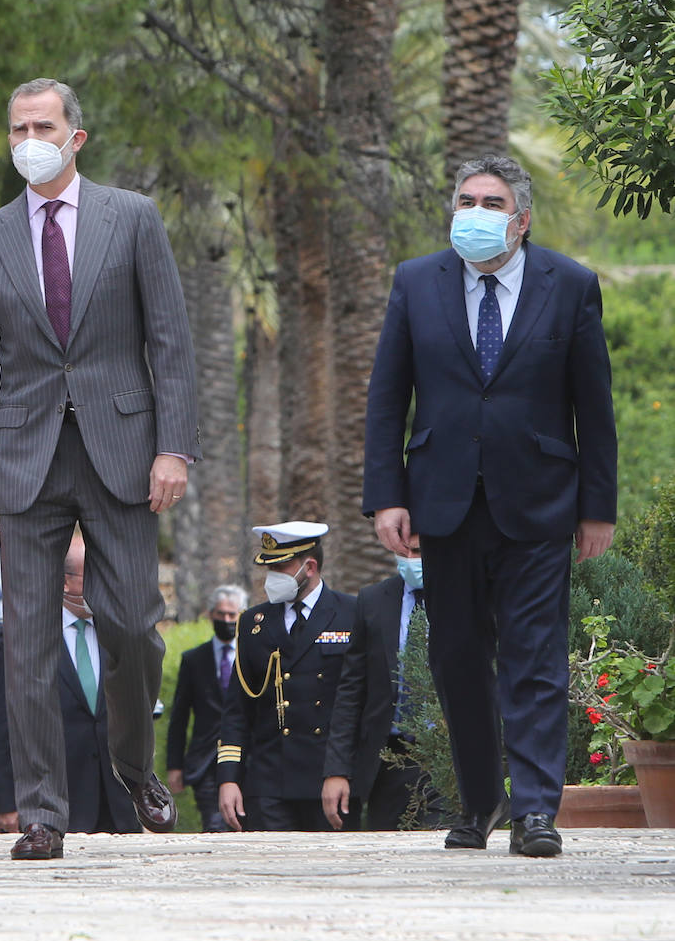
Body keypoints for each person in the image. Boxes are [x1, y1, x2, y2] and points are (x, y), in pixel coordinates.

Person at [0, 77, 199, 860]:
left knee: (131, 627)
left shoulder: (133, 219)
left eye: (43, 124)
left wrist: (173, 447)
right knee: (26, 644)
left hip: (122, 453)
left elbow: (171, 342)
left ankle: (133, 766)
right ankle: (43, 812)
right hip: (25, 461)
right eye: (18, 125)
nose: (30, 137)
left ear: (75, 136)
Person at [362, 154, 618, 858]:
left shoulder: (568, 285)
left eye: (491, 202)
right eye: (465, 200)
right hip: (443, 504)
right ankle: (480, 802)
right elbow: (388, 398)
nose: (475, 213)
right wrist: (386, 496)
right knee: (456, 657)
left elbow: (593, 406)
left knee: (534, 657)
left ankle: (536, 810)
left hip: (539, 502)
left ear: (522, 219)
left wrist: (598, 506)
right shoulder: (417, 282)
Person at [0, 535, 140, 836]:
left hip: (117, 803)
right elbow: (1, 720)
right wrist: (4, 799)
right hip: (55, 803)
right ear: (64, 581)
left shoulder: (117, 630)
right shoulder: (25, 635)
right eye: (92, 575)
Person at [217, 523, 357, 832]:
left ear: (310, 567)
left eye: (281, 567)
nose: (272, 576)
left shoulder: (352, 614)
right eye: (269, 567)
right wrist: (229, 777)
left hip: (329, 780)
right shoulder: (254, 623)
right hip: (269, 783)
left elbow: (359, 704)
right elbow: (237, 710)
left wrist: (341, 771)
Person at [322, 535, 442, 831]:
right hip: (389, 761)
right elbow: (351, 691)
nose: (413, 559)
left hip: (446, 756)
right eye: (407, 551)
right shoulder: (373, 601)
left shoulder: (465, 597)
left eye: (421, 551)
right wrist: (336, 771)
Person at [167, 584, 248, 832]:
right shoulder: (194, 660)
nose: (226, 620)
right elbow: (179, 716)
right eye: (221, 614)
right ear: (211, 615)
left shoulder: (253, 657)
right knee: (215, 825)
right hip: (206, 761)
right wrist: (175, 766)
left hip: (247, 759)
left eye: (232, 615)